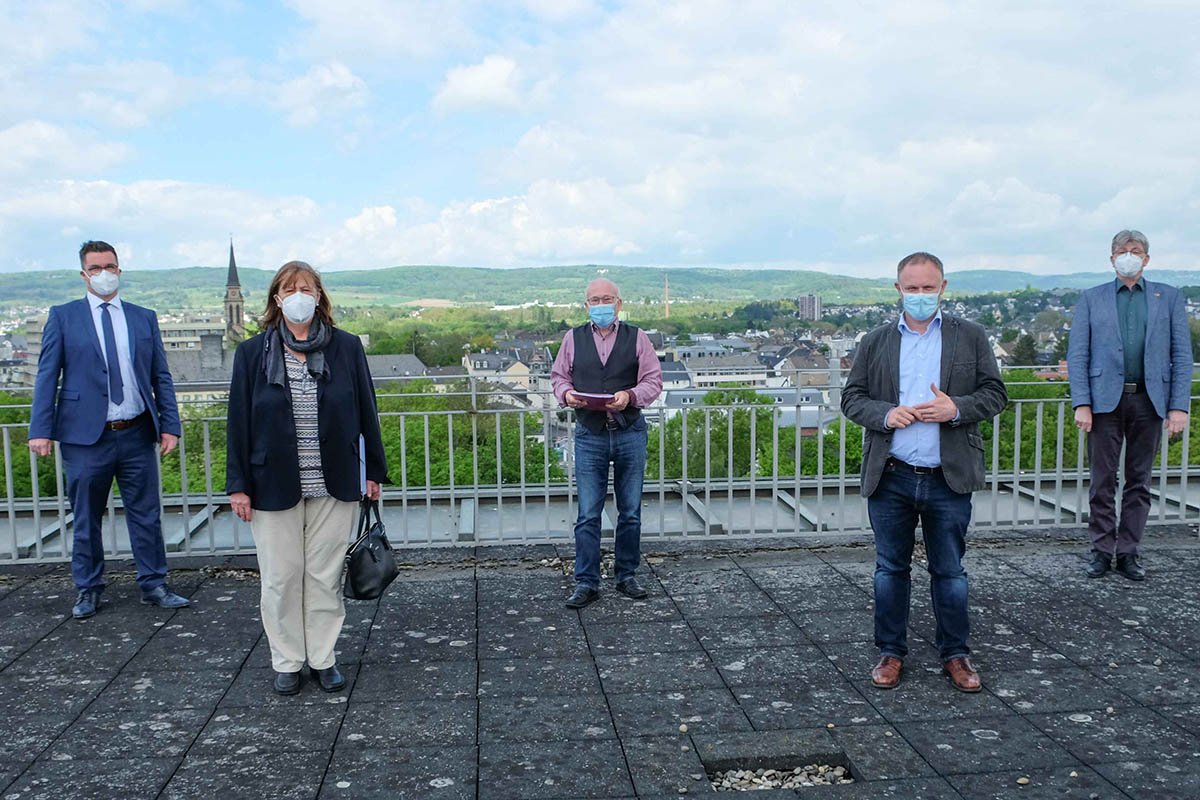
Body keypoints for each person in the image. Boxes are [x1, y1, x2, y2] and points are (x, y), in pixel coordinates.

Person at [842, 252, 1007, 692]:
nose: (920, 295)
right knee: (889, 570)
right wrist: (884, 414)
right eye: (911, 288)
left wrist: (956, 408)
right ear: (898, 290)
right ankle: (891, 653)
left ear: (943, 287)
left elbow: (995, 394)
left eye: (927, 287)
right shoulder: (874, 341)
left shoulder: (969, 336)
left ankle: (955, 654)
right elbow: (851, 398)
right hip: (891, 474)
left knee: (950, 572)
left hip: (947, 476)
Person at [225, 261, 388, 696]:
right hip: (270, 484)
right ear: (277, 299)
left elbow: (366, 410)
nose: (299, 296)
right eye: (290, 289)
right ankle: (287, 660)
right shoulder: (252, 352)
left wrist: (374, 470)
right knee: (280, 578)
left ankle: (322, 657)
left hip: (334, 482)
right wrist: (237, 485)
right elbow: (238, 421)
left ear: (319, 297)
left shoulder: (347, 347)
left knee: (323, 575)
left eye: (307, 288)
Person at [28, 241, 189, 619]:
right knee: (86, 516)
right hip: (85, 437)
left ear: (120, 270)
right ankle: (88, 588)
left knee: (146, 514)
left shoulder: (142, 317)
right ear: (84, 273)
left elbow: (160, 375)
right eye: (96, 267)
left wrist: (170, 424)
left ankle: (154, 584)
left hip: (135, 432)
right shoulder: (64, 317)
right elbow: (47, 376)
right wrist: (40, 429)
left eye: (111, 266)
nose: (104, 273)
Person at [1068, 230, 1192, 581]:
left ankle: (1129, 553)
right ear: (1111, 259)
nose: (1128, 255)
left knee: (1139, 482)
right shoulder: (1092, 298)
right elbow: (1078, 355)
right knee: (1102, 481)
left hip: (1150, 401)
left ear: (1147, 259)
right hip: (1104, 403)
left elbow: (1182, 356)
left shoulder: (1168, 297)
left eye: (1135, 251)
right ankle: (1101, 551)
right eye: (1122, 251)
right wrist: (1082, 403)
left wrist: (1178, 406)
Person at [550, 278, 663, 609]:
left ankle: (626, 576)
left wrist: (630, 396)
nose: (601, 304)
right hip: (589, 435)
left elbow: (653, 380)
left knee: (630, 512)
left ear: (619, 303)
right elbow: (559, 377)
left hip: (630, 432)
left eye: (607, 299)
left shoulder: (637, 337)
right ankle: (586, 582)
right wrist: (566, 395)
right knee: (588, 514)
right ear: (586, 306)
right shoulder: (572, 338)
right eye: (595, 300)